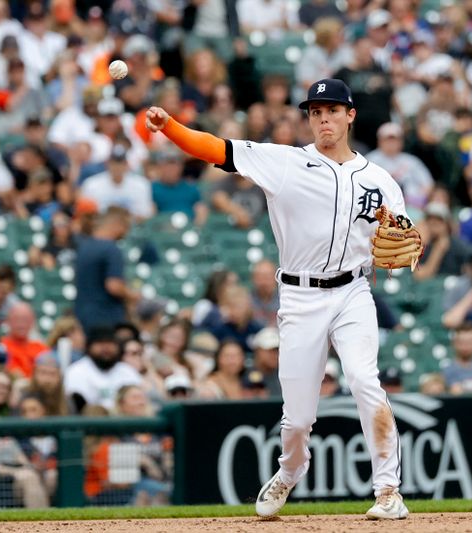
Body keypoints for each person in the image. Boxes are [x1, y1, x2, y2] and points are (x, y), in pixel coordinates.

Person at [145, 77, 415, 519]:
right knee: (298, 419)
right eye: (315, 112)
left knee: (366, 383)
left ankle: (388, 491)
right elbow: (216, 149)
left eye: (331, 110)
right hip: (299, 296)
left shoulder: (381, 180)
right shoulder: (285, 162)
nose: (323, 118)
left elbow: (398, 244)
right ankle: (290, 471)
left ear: (350, 116)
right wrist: (171, 126)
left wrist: (396, 237)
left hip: (353, 291)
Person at [74, 208, 136, 331]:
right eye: (126, 227)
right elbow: (113, 286)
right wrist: (133, 295)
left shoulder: (83, 247)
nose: (126, 232)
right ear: (117, 225)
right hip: (106, 316)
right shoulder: (111, 249)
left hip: (82, 314)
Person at [64, 326, 142, 412]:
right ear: (89, 346)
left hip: (125, 422)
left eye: (110, 343)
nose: (106, 348)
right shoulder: (76, 371)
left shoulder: (128, 371)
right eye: (100, 343)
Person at [1, 302, 48, 379]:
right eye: (17, 319)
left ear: (32, 322)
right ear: (8, 321)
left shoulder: (41, 349)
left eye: (25, 319)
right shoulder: (0, 347)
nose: (21, 324)